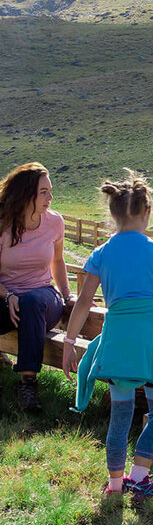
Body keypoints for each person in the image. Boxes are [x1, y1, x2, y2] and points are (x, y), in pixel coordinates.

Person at [61, 170, 153, 500]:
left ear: (113, 216)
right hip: (152, 343)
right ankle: (140, 478)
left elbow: (84, 303)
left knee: (120, 415)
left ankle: (115, 484)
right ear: (147, 214)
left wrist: (70, 342)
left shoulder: (101, 253)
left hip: (116, 341)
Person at [0, 162, 73, 410]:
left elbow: (58, 260)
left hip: (43, 298)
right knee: (20, 303)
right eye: (44, 192)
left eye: (50, 191)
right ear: (25, 193)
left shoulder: (54, 222)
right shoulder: (3, 223)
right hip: (5, 299)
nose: (50, 197)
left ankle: (28, 384)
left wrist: (66, 295)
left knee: (31, 302)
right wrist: (7, 294)